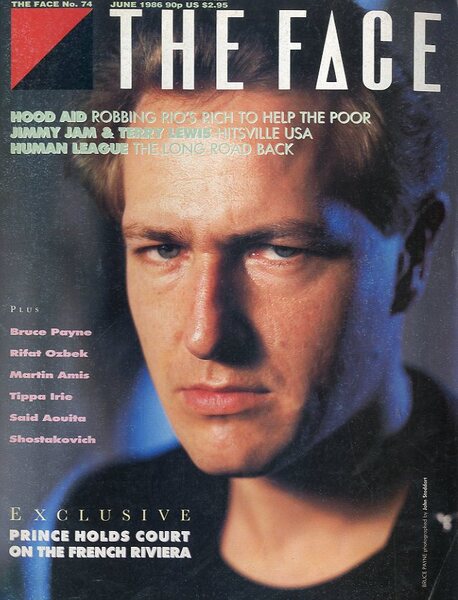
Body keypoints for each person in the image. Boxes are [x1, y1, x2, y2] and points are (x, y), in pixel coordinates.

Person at [52, 1, 457, 598]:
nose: (205, 334)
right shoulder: (108, 523)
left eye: (280, 250)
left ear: (413, 255)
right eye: (164, 248)